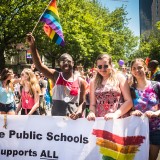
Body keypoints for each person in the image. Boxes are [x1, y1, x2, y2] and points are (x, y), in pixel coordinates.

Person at [26, 33, 86, 119]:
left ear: (73, 63)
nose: (65, 63)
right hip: (56, 123)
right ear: (59, 64)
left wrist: (78, 113)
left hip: (73, 123)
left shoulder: (81, 81)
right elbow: (39, 66)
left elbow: (82, 102)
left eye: (68, 61)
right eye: (62, 61)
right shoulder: (55, 75)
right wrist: (32, 46)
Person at [130, 58, 160, 160]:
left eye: (139, 67)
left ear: (146, 69)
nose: (136, 70)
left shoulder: (156, 86)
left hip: (155, 130)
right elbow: (128, 109)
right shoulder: (131, 89)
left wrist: (156, 113)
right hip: (137, 130)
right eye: (134, 68)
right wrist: (133, 112)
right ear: (131, 71)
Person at [87, 54, 133, 121]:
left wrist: (115, 115)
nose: (103, 69)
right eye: (100, 66)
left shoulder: (120, 78)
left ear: (111, 65)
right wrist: (91, 112)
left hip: (118, 120)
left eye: (105, 66)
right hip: (101, 120)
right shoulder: (93, 82)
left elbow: (129, 101)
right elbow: (92, 104)